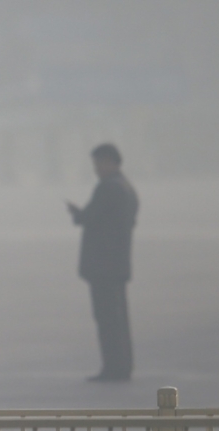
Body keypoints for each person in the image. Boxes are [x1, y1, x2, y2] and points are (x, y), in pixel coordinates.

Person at [66, 143, 139, 382]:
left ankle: (113, 368)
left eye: (98, 164)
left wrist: (77, 214)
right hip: (117, 263)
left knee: (108, 320)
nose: (96, 169)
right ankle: (123, 365)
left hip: (104, 265)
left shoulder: (108, 188)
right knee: (119, 319)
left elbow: (90, 216)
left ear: (109, 162)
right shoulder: (127, 188)